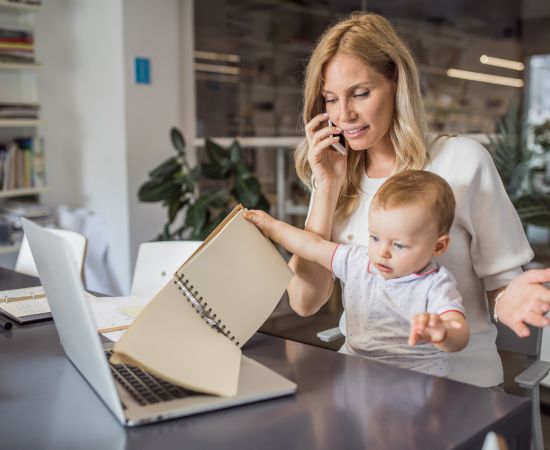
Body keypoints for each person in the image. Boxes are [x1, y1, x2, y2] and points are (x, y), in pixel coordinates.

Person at [287, 11, 536, 388]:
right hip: (363, 382)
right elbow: (304, 302)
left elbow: (503, 281)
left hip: (458, 385)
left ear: (396, 83)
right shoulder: (337, 179)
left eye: (360, 93)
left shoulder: (461, 161)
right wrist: (325, 187)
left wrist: (507, 300)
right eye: (330, 99)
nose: (344, 115)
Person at [246, 170, 470, 378]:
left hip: (415, 378)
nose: (382, 252)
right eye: (374, 237)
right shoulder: (357, 261)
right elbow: (311, 246)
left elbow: (459, 332)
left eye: (399, 245)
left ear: (438, 247)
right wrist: (271, 227)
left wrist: (442, 332)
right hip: (356, 368)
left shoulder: (435, 284)